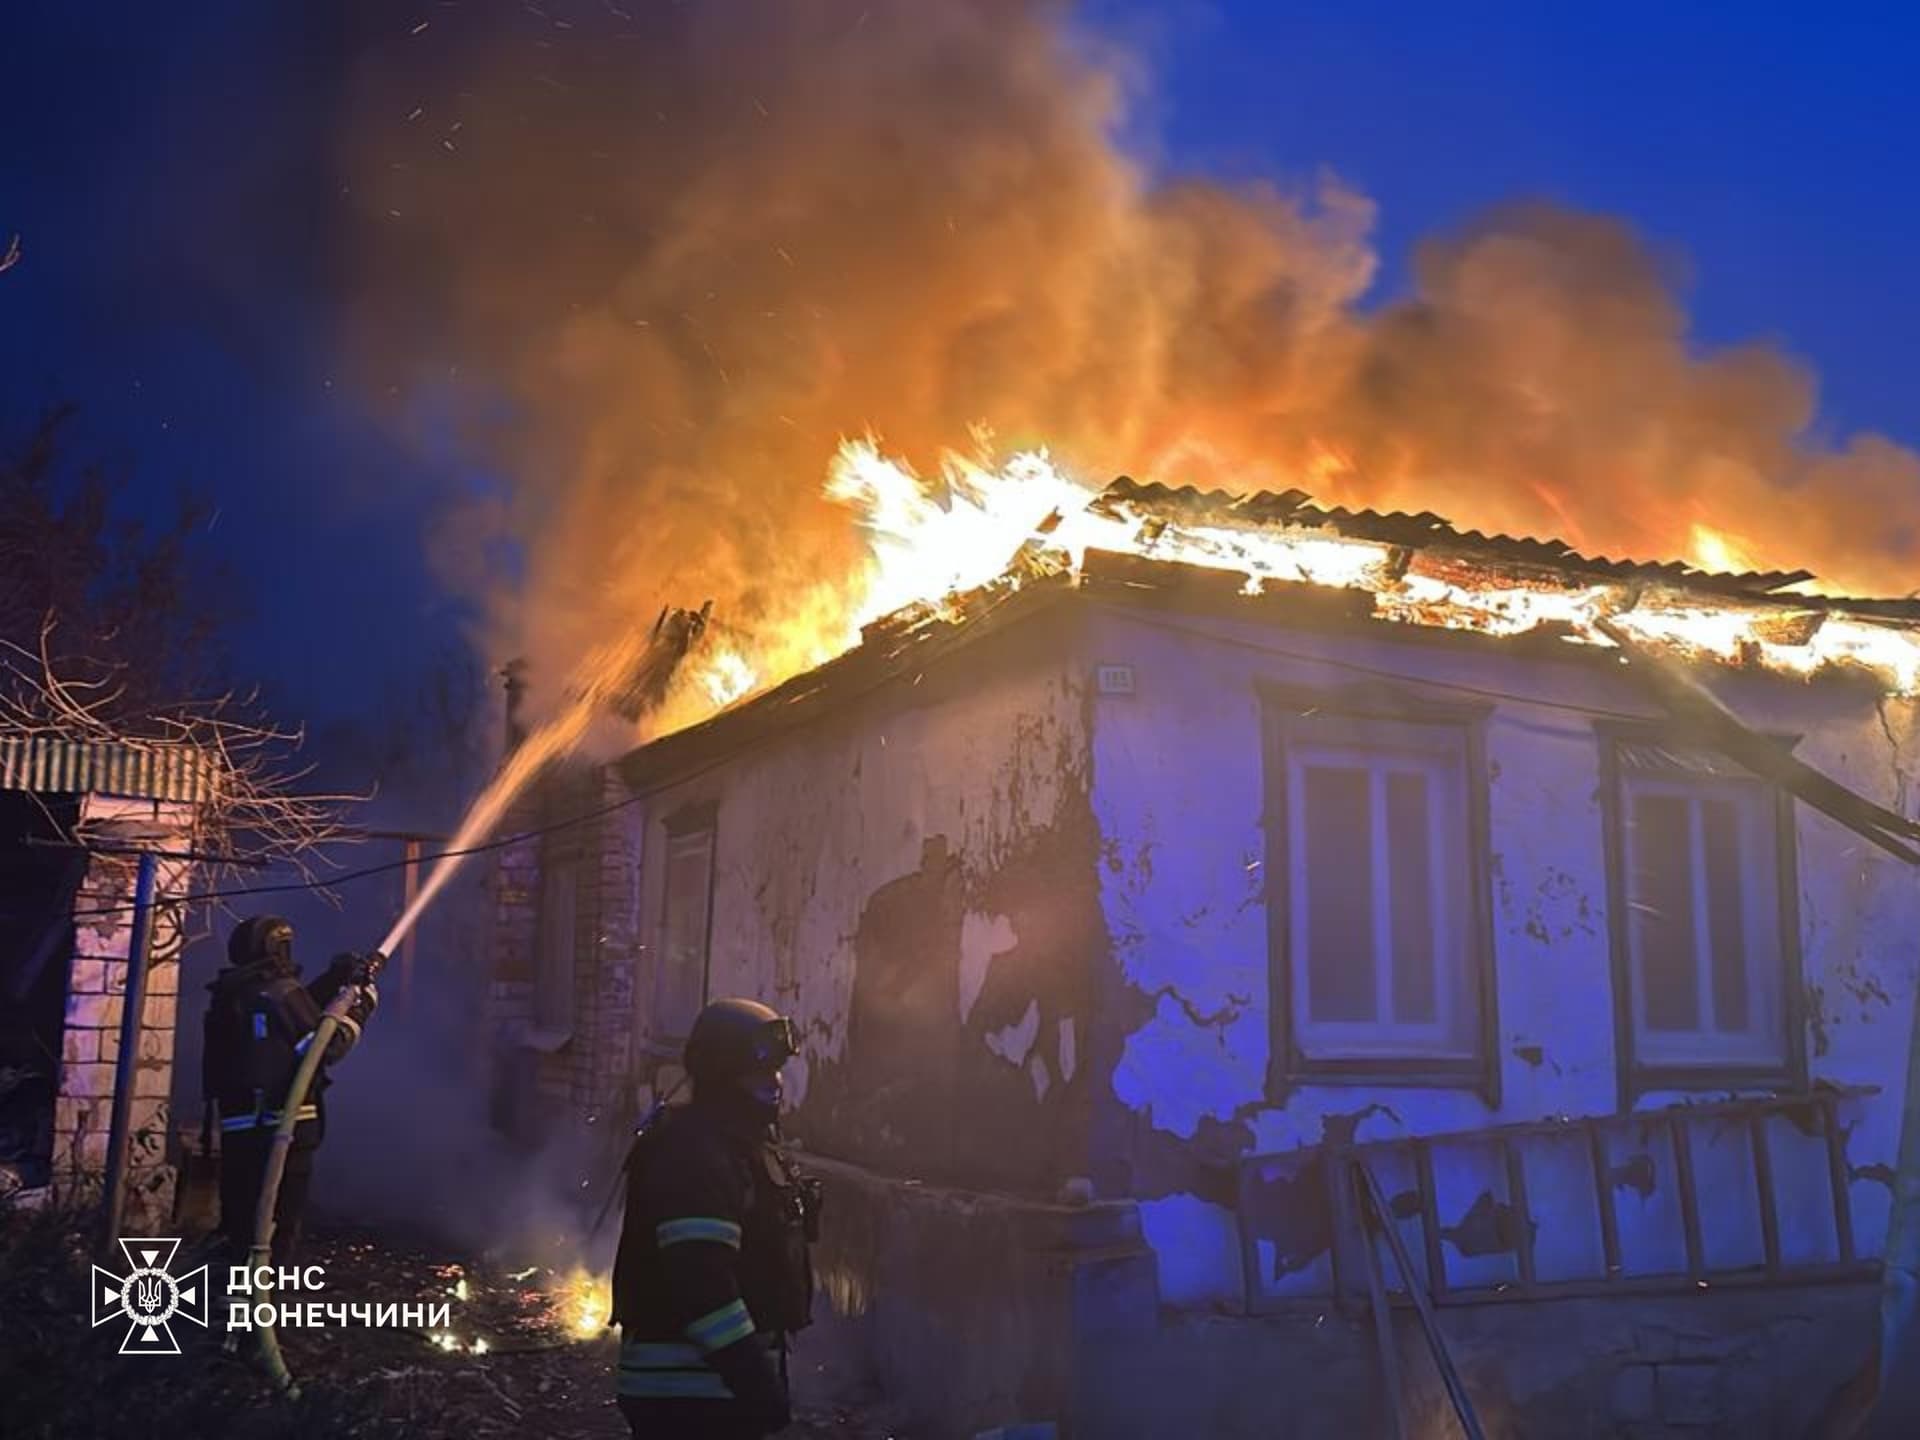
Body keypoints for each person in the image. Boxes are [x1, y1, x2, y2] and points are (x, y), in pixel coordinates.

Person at [611, 997, 821, 1439]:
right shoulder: (697, 1154)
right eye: (760, 1072)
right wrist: (754, 1380)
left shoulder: (733, 1147)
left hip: (711, 1392)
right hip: (689, 1396)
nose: (775, 1084)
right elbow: (702, 1285)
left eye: (777, 1071)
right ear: (724, 1074)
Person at [201, 915, 380, 1265]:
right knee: (278, 1227)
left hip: (241, 1132)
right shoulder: (280, 992)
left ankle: (234, 1299)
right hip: (284, 1128)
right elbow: (324, 1045)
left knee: (243, 1222)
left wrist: (333, 980)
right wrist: (361, 1008)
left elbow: (293, 1017)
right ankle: (261, 1305)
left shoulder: (236, 992)